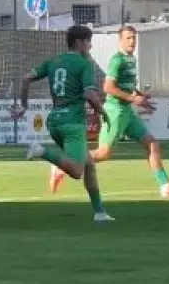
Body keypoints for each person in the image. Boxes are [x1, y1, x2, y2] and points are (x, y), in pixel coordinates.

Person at [49, 26, 169, 198]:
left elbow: (127, 87)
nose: (132, 41)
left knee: (152, 143)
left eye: (134, 38)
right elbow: (108, 87)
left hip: (127, 112)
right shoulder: (117, 60)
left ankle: (165, 186)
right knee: (103, 153)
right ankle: (62, 165)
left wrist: (140, 97)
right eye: (128, 38)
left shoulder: (131, 59)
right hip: (115, 111)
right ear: (120, 40)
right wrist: (133, 99)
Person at [14, 25, 114, 223]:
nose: (90, 46)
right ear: (79, 43)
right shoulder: (84, 64)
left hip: (55, 121)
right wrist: (102, 112)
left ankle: (100, 212)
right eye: (88, 42)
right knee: (78, 171)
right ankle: (42, 151)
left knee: (89, 166)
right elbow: (89, 94)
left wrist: (24, 106)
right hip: (72, 123)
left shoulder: (54, 61)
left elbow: (27, 78)